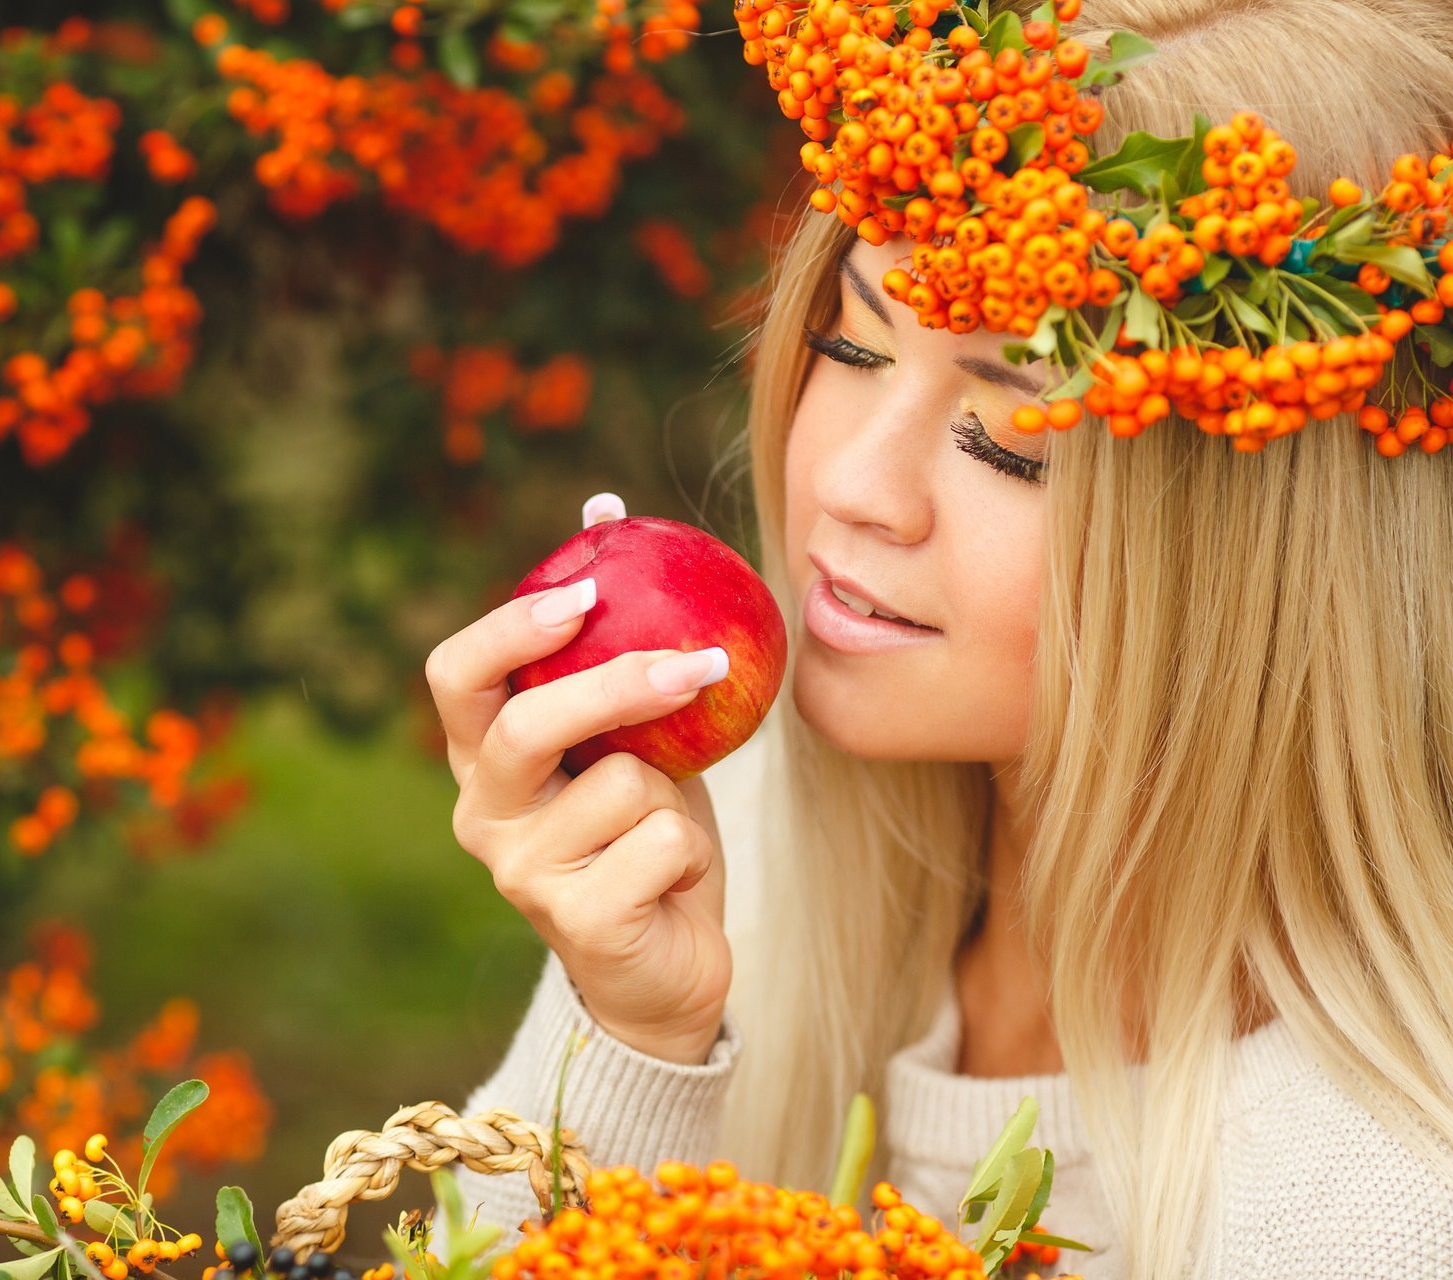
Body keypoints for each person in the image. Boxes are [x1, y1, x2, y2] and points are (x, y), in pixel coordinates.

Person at [419, 0, 1453, 1276]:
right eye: (852, 341)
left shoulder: (1363, 1212)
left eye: (1009, 437)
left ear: (1271, 554)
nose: (853, 481)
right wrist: (632, 1041)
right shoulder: (731, 842)